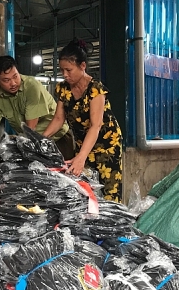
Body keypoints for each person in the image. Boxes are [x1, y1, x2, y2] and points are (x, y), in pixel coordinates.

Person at [42, 40, 123, 202]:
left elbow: (96, 125)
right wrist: (41, 139)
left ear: (83, 66)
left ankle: (113, 224)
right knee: (84, 190)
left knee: (109, 192)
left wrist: (81, 157)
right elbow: (59, 118)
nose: (65, 74)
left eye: (69, 70)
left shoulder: (95, 89)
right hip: (83, 144)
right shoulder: (63, 88)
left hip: (106, 146)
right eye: (62, 70)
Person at [0, 55, 75, 160]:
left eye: (15, 76)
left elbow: (31, 127)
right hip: (31, 142)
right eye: (6, 80)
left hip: (57, 139)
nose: (13, 83)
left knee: (62, 175)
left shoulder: (31, 86)